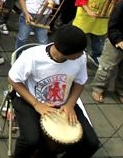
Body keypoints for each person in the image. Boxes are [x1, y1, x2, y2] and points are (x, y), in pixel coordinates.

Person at [8, 25, 100, 158]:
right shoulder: (32, 57)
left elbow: (80, 82)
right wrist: (36, 104)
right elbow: (13, 80)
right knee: (30, 140)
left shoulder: (80, 58)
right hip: (29, 100)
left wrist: (70, 104)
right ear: (66, 51)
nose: (82, 54)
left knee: (92, 143)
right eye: (79, 52)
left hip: (63, 102)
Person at [91, 0, 123, 103]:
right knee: (108, 67)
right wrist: (118, 40)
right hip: (117, 41)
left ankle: (121, 90)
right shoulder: (121, 5)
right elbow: (113, 25)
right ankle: (98, 87)